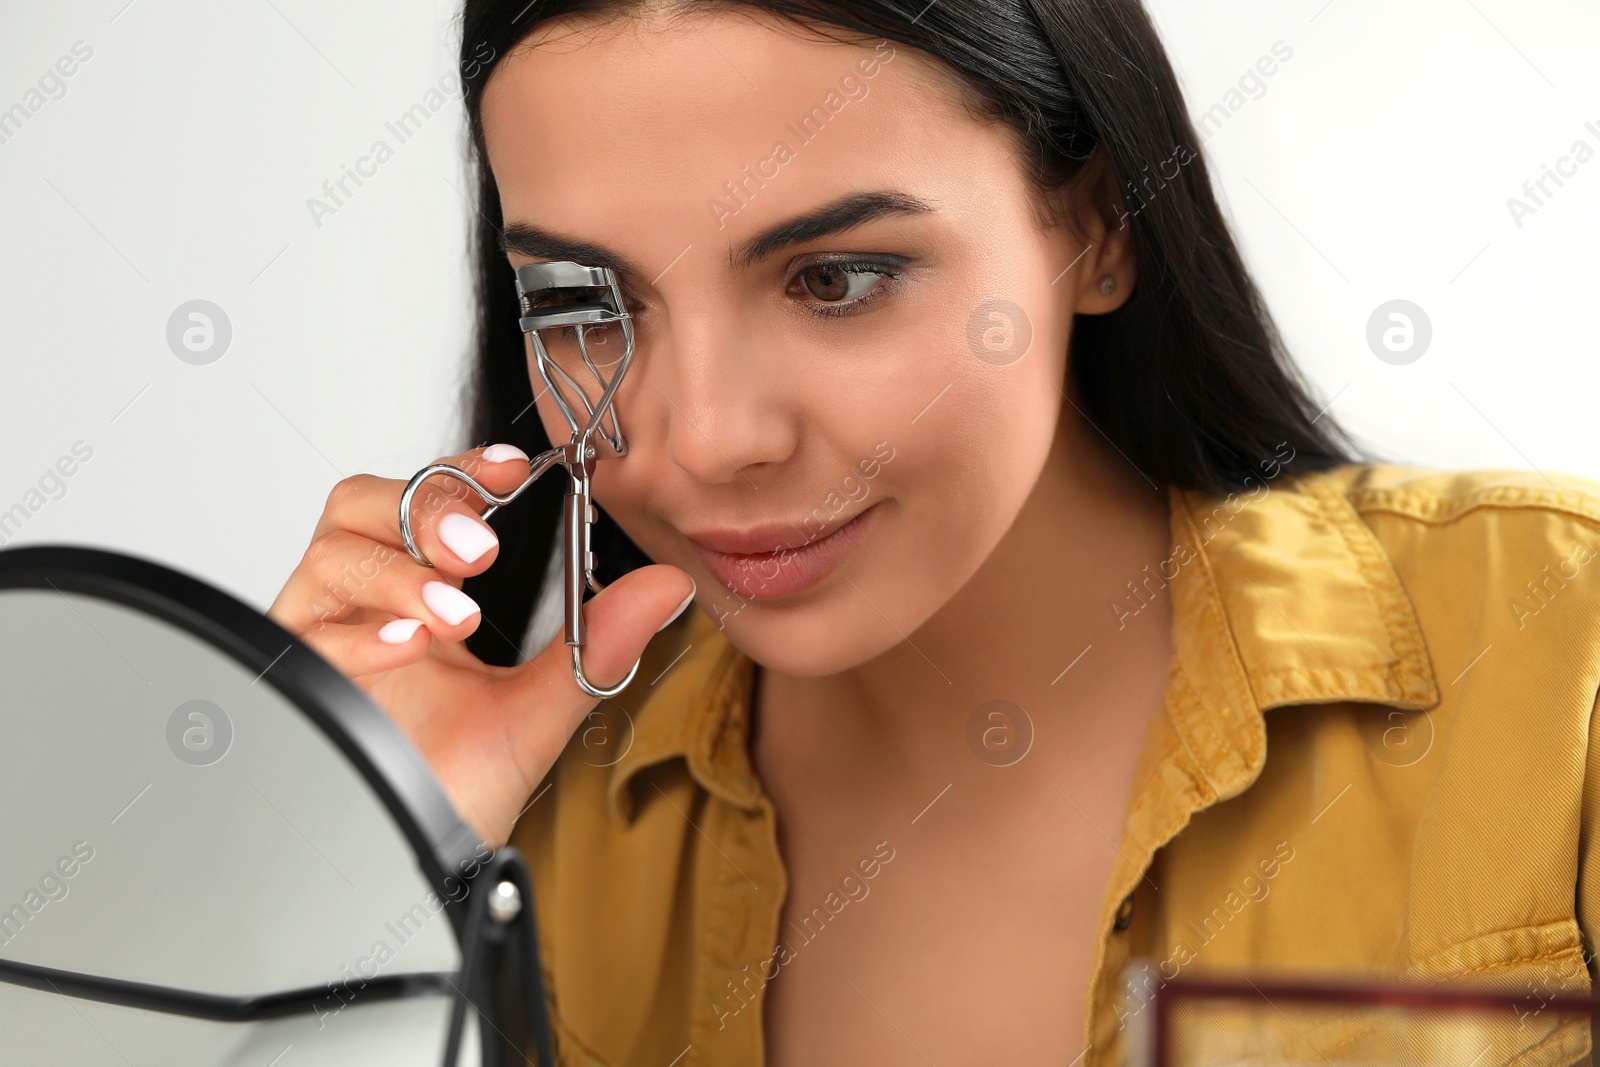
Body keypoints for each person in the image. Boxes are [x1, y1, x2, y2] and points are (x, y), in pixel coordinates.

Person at [268, 1, 1600, 1063]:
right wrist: (330, 859)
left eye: (836, 279)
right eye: (583, 301)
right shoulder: (528, 858)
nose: (708, 435)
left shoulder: (1562, 667)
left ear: (1095, 226)